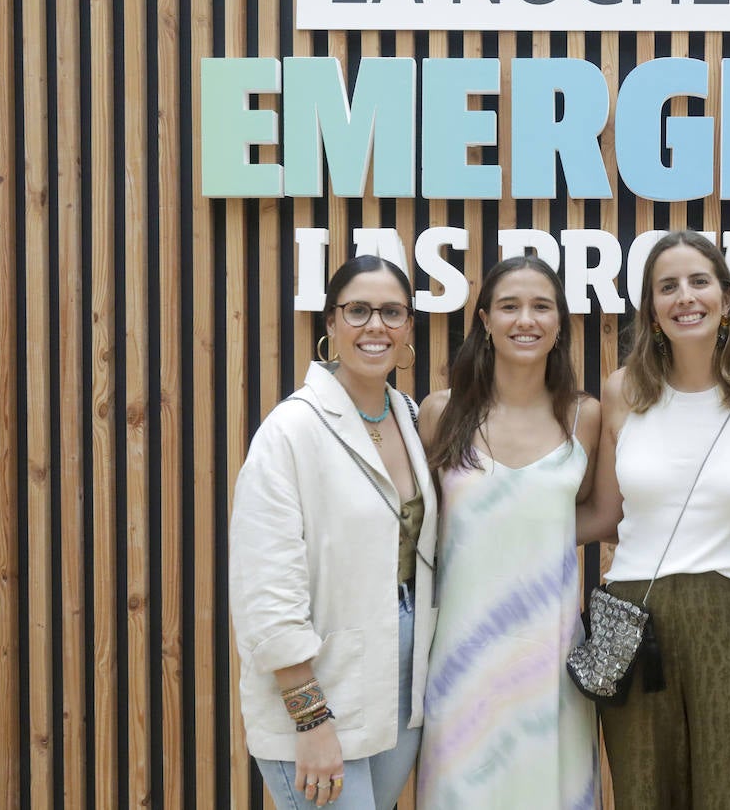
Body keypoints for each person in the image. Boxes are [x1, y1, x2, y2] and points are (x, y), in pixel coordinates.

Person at [583, 230, 730, 810]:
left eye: (699, 281)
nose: (685, 297)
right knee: (643, 790)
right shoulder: (622, 393)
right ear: (652, 310)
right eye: (667, 286)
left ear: (726, 299)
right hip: (631, 613)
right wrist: (506, 531)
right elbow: (608, 515)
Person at [229, 255, 438, 809]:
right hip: (318, 689)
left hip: (399, 680)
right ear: (330, 325)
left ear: (408, 329)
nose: (376, 326)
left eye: (392, 312)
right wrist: (311, 719)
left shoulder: (411, 418)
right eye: (358, 310)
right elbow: (266, 592)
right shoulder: (290, 431)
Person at [415, 255, 601, 809]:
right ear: (484, 320)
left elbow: (603, 514)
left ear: (560, 323)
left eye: (542, 306)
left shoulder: (583, 415)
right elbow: (425, 523)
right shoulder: (440, 413)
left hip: (551, 650)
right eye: (510, 306)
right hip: (461, 651)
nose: (527, 319)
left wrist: (533, 535)